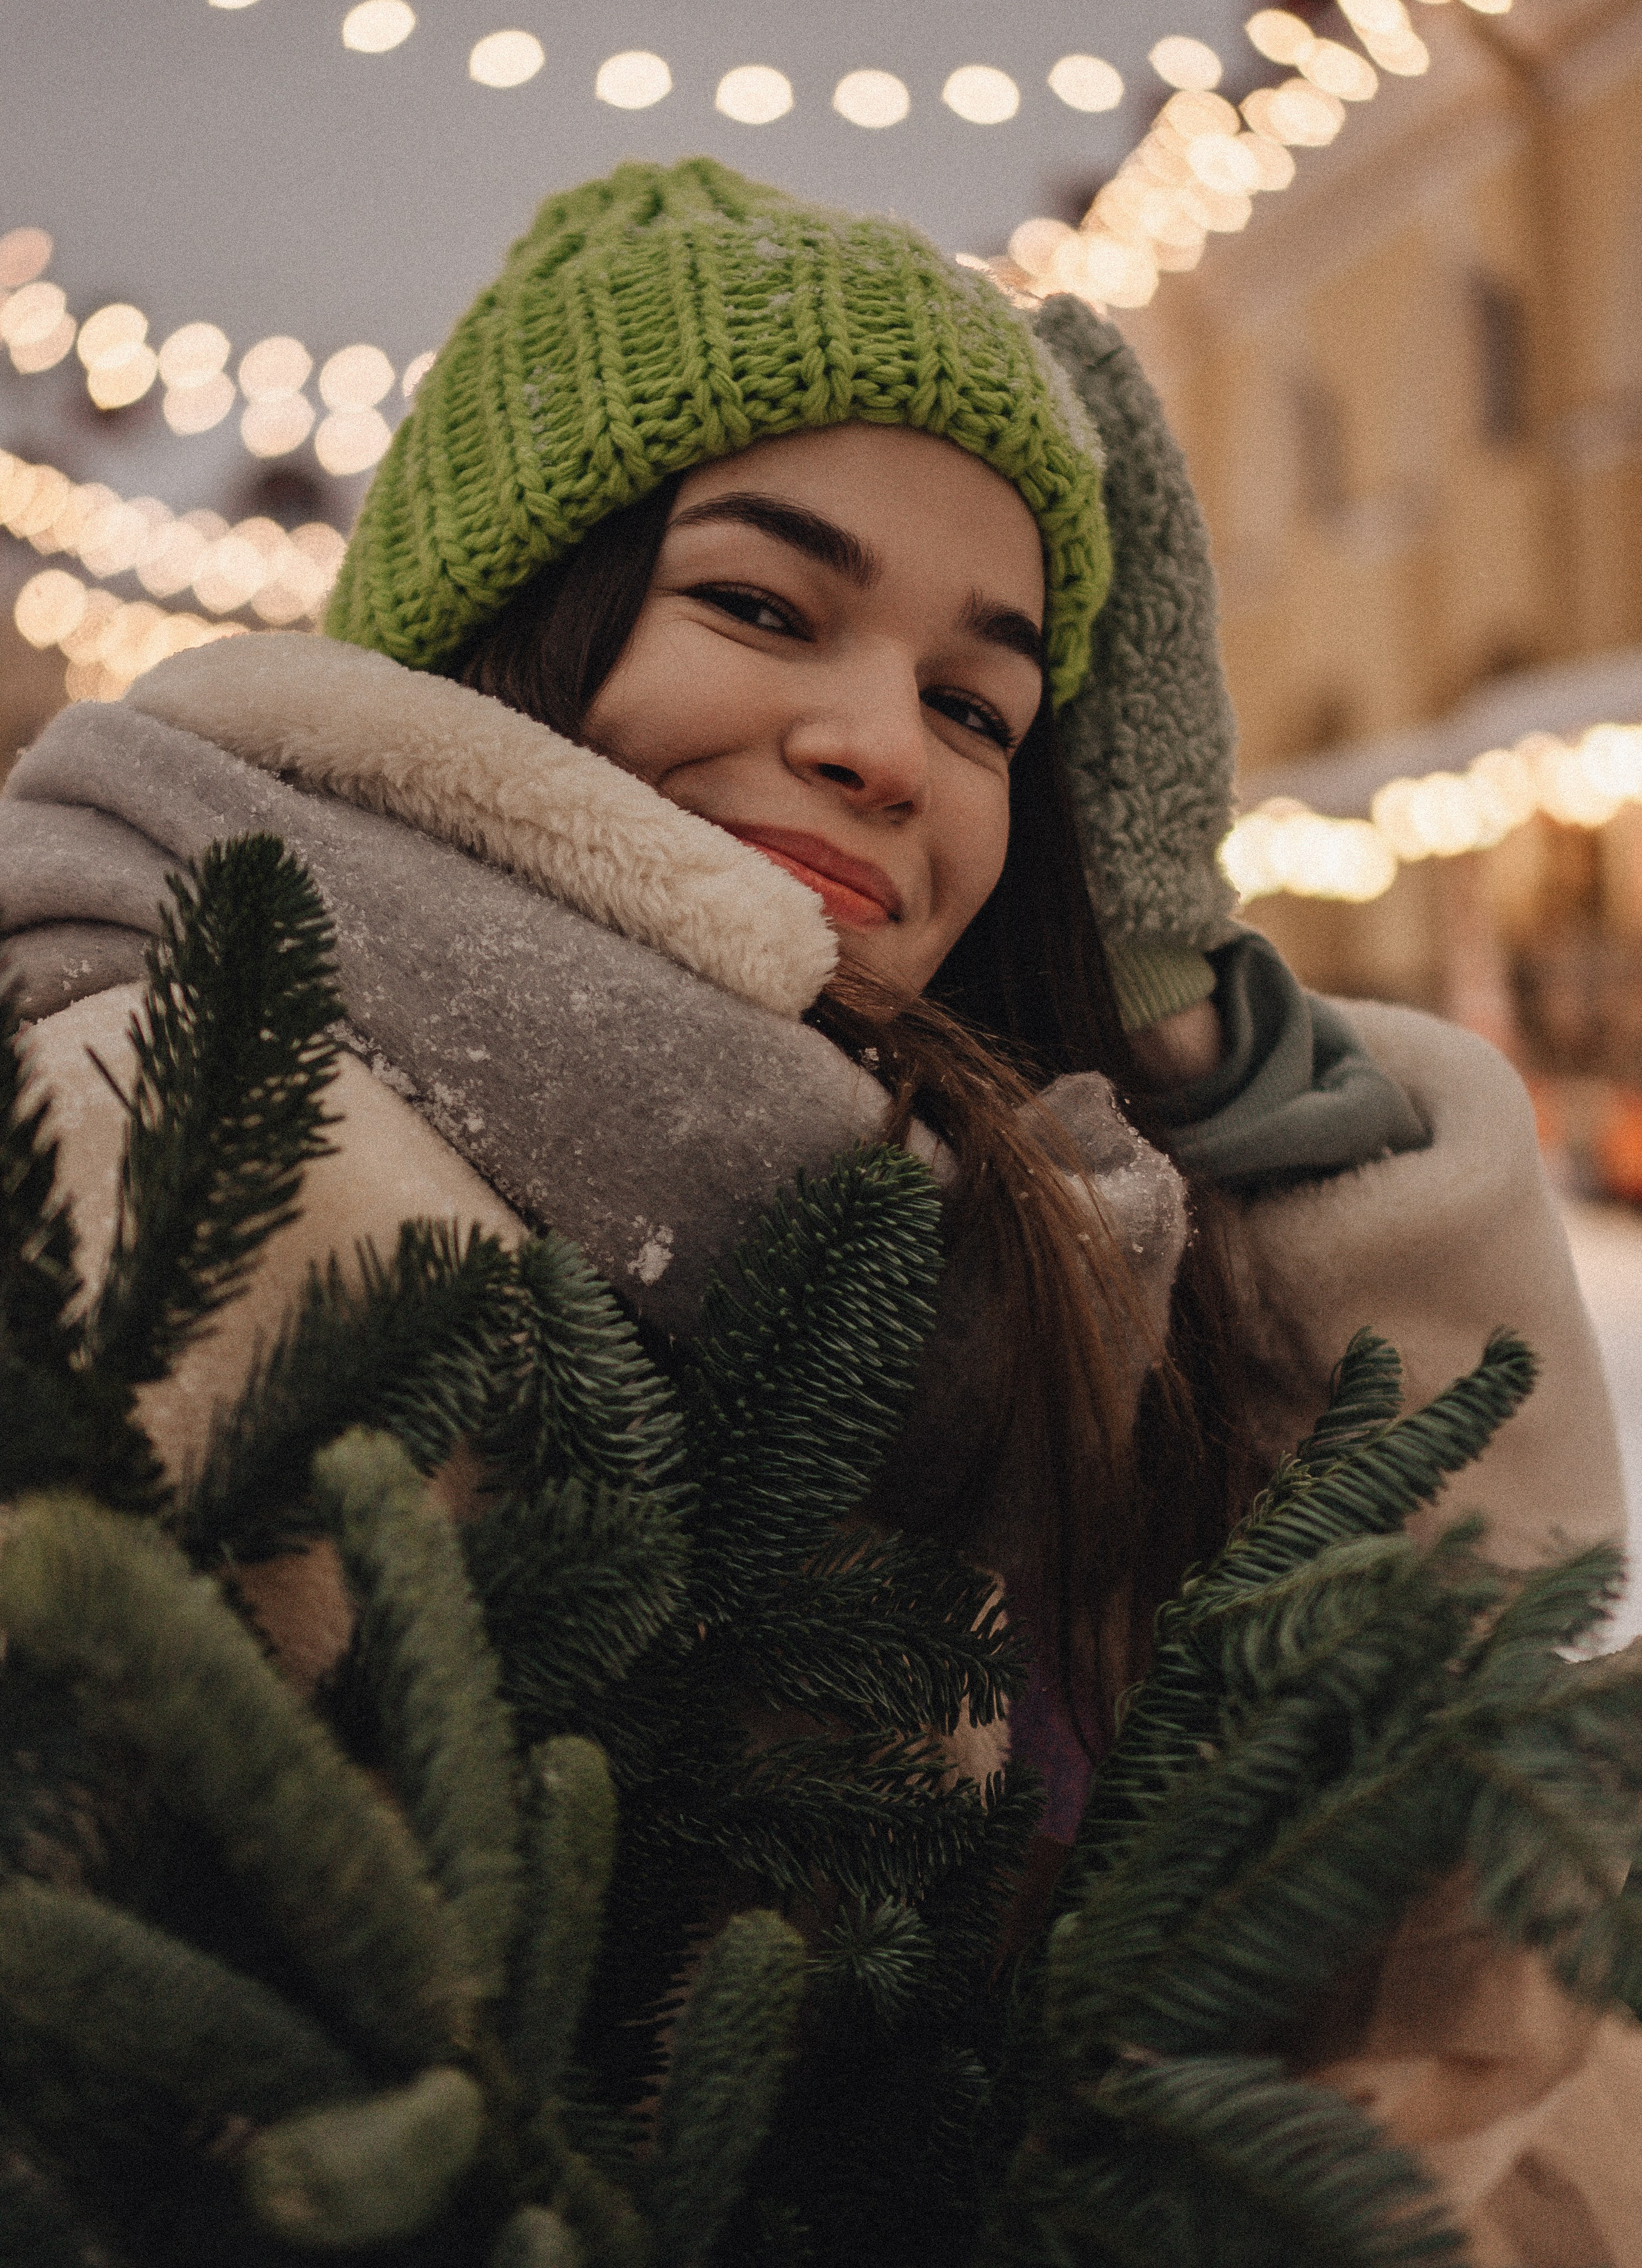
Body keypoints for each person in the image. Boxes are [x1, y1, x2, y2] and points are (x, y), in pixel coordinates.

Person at [2, 158, 1633, 2252]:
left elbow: (1431, 1832)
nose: (884, 748)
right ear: (510, 621)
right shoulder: (183, 1128)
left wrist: (1188, 1038)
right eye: (764, 606)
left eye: (982, 705)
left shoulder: (1004, 1231)